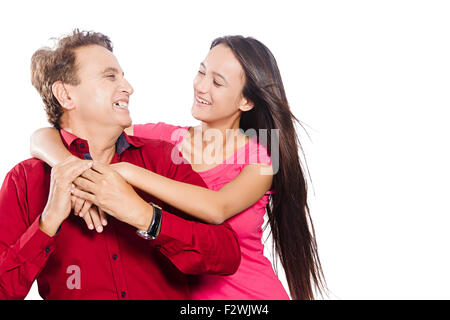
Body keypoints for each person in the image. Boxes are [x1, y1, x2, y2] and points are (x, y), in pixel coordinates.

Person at [31, 36, 326, 299]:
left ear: (246, 100)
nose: (201, 85)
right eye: (201, 72)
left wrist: (127, 174)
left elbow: (217, 208)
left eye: (217, 82)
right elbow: (49, 135)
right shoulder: (165, 138)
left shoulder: (261, 155)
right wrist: (71, 169)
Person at [0, 30, 241, 300]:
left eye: (122, 75)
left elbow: (227, 255)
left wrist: (143, 216)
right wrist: (47, 223)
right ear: (66, 95)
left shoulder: (162, 158)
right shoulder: (24, 180)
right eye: (110, 76)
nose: (128, 87)